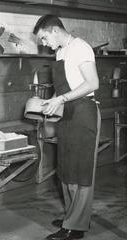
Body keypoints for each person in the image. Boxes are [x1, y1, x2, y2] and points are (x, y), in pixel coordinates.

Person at [33, 15, 101, 240]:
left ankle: (77, 227)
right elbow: (65, 86)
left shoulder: (81, 48)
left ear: (54, 30)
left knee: (81, 170)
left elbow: (92, 84)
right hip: (68, 114)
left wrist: (60, 99)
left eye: (43, 38)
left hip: (83, 113)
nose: (43, 44)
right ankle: (72, 216)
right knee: (66, 169)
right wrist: (49, 103)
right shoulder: (61, 52)